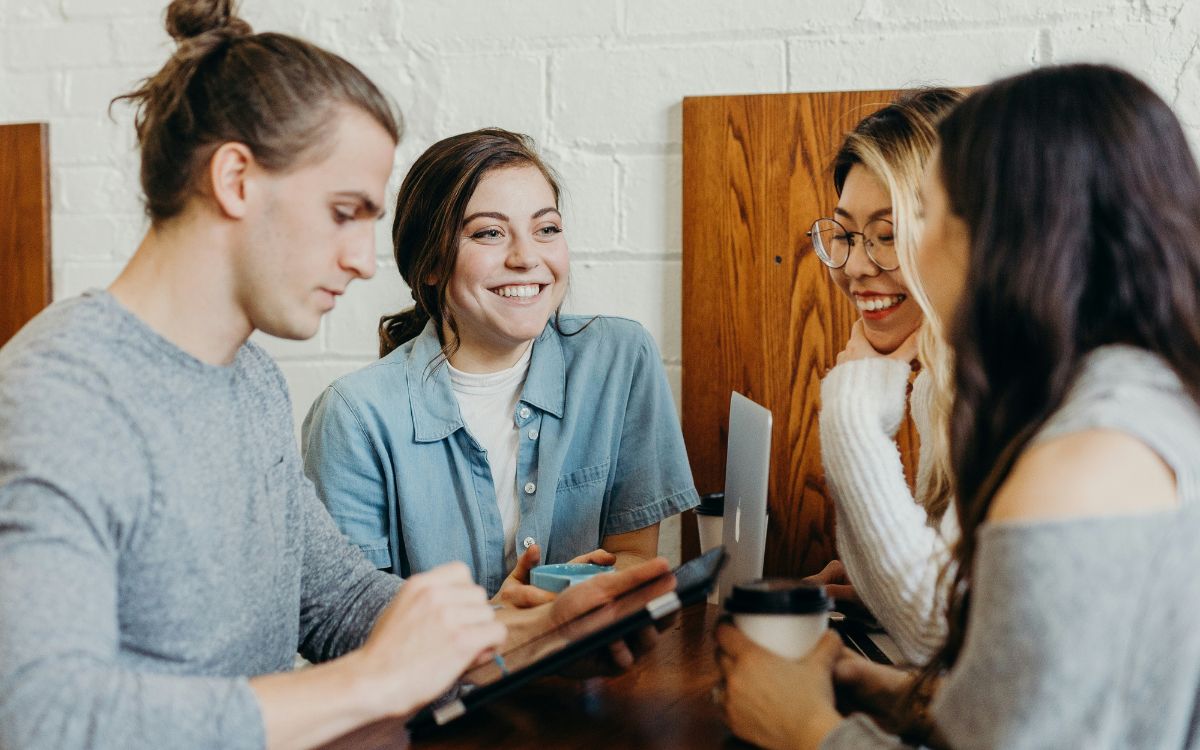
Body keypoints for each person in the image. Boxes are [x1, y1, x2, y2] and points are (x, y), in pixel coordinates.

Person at [0, 3, 669, 748]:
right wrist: (372, 682)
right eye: (344, 212)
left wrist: (527, 636)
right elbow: (40, 716)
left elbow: (337, 602)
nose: (360, 259)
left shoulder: (247, 378)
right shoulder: (58, 394)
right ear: (236, 180)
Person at [717, 63, 1200, 749]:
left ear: (1009, 235)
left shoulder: (1079, 463)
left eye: (929, 214)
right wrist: (901, 696)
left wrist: (807, 730)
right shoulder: (1139, 401)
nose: (881, 257)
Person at [302, 128, 699, 606]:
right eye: (489, 233)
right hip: (442, 680)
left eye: (546, 229)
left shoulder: (619, 359)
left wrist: (577, 594)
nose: (527, 257)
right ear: (429, 263)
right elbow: (352, 620)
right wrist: (503, 622)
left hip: (587, 670)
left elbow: (634, 555)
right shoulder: (354, 416)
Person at [811, 88, 962, 663]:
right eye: (846, 234)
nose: (853, 266)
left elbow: (937, 635)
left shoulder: (1011, 389)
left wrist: (850, 412)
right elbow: (953, 613)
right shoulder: (939, 385)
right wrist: (875, 584)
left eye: (888, 233)